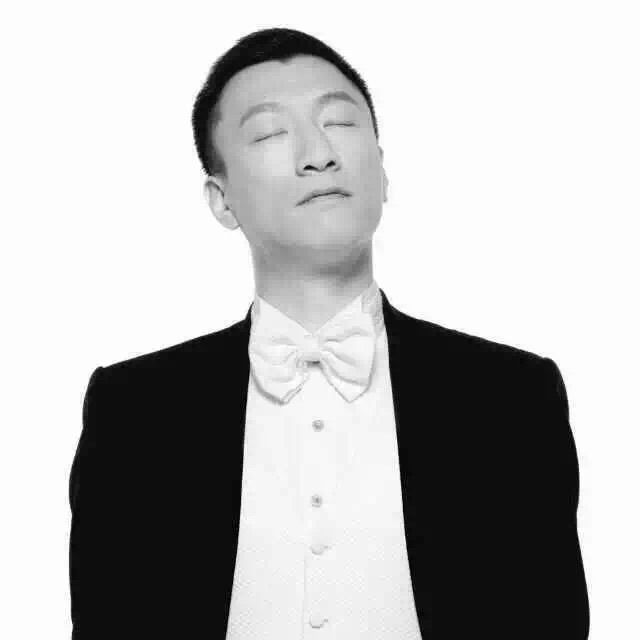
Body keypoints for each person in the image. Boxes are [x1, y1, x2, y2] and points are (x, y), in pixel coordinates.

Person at [68, 27, 590, 639]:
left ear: (383, 172)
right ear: (221, 199)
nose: (317, 154)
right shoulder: (133, 409)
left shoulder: (512, 395)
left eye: (340, 122)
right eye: (270, 132)